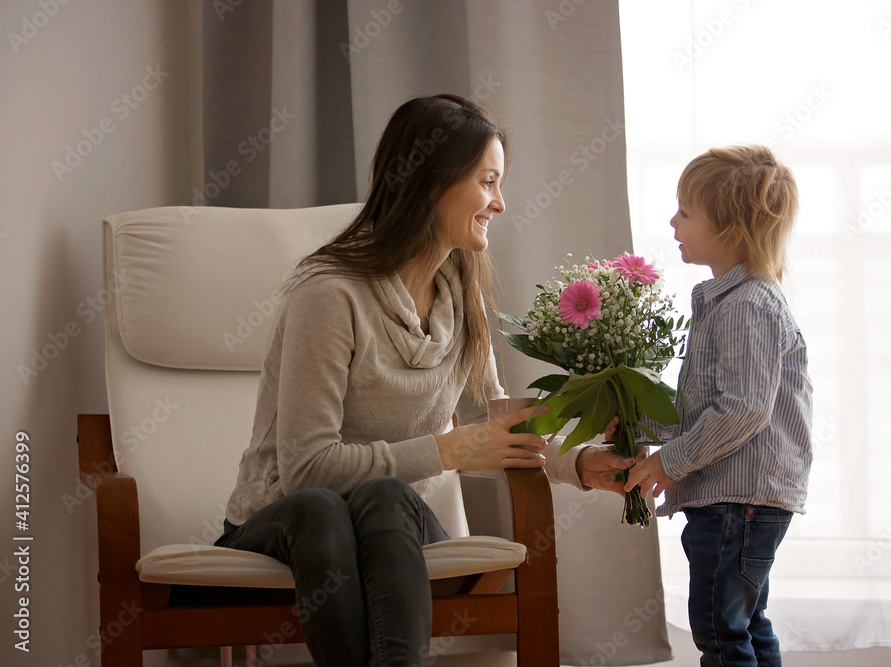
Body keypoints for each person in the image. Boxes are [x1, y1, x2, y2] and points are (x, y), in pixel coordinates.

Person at [215, 94, 634, 667]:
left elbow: (495, 428)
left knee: (384, 495)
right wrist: (449, 448)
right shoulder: (329, 293)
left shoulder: (461, 295)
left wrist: (579, 461)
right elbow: (307, 468)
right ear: (435, 181)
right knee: (320, 505)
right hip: (285, 527)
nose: (501, 203)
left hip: (386, 530)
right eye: (488, 182)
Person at [625, 146, 813, 666]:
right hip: (744, 500)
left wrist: (668, 460)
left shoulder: (748, 305)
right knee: (745, 625)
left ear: (730, 231)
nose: (673, 221)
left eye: (686, 211)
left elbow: (743, 410)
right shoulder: (734, 302)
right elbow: (710, 407)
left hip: (739, 501)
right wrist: (643, 423)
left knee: (718, 628)